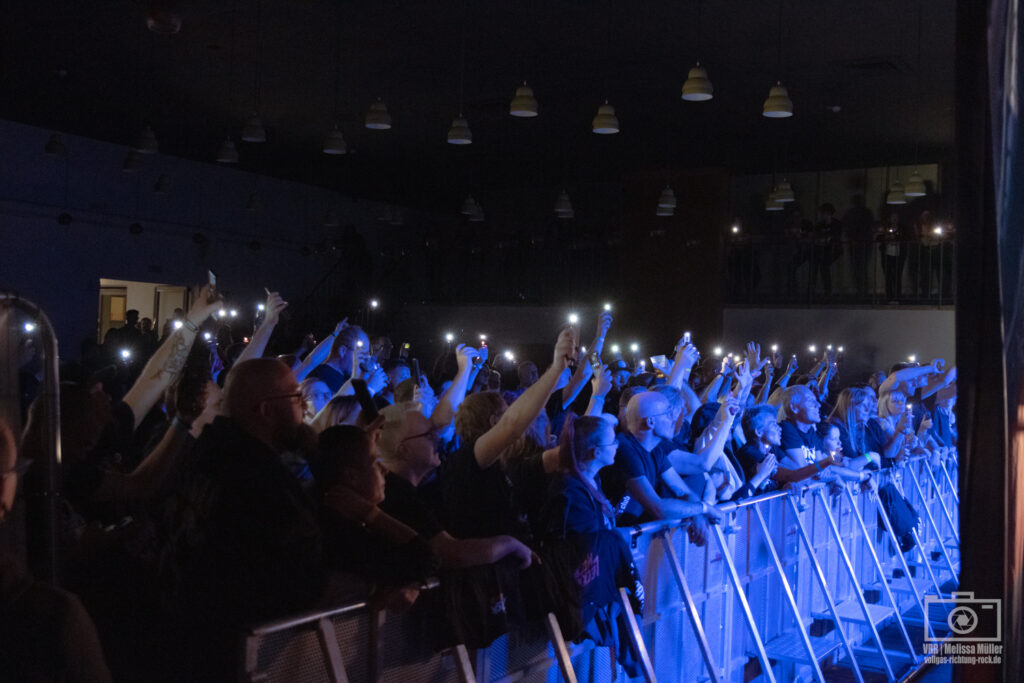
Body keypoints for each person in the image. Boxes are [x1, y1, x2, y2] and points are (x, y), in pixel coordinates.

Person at [161, 358, 324, 680]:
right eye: (295, 397)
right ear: (265, 409)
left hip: (185, 639)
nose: (303, 407)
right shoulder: (256, 480)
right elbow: (303, 568)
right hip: (232, 652)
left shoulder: (202, 453)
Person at [312, 426, 439, 599]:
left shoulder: (344, 519)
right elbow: (425, 558)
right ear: (351, 476)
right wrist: (372, 513)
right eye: (375, 462)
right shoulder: (341, 531)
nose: (384, 470)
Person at [810, 203, 842, 298]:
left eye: (825, 213)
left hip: (834, 249)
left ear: (830, 213)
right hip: (821, 249)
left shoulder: (837, 224)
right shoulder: (820, 225)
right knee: (815, 263)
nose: (824, 215)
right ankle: (812, 288)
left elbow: (835, 237)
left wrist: (826, 240)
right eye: (823, 213)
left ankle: (828, 290)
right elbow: (816, 237)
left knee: (824, 265)